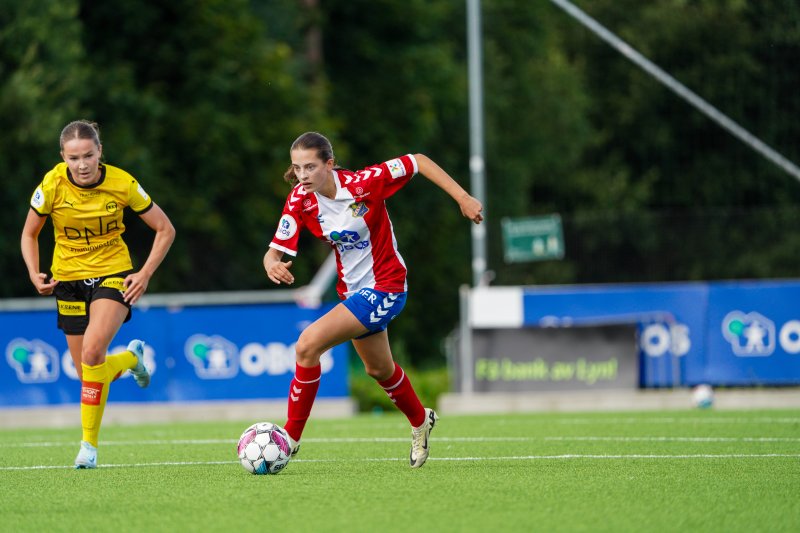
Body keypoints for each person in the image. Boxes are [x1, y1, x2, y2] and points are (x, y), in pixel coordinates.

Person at [264, 132, 483, 468]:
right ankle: (420, 420)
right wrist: (272, 262)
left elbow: (418, 161)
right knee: (378, 369)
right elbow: (274, 250)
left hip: (387, 286)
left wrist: (463, 197)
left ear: (330, 164)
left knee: (307, 345)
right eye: (297, 168)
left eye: (310, 166)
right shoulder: (299, 200)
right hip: (354, 292)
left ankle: (290, 440)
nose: (303, 175)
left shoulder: (366, 183)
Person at [20, 120, 176, 469]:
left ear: (100, 152)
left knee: (92, 351)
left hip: (113, 274)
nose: (82, 164)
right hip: (68, 281)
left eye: (89, 155)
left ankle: (88, 448)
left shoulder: (123, 183)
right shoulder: (52, 184)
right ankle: (131, 360)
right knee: (87, 371)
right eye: (74, 157)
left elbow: (165, 229)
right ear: (63, 157)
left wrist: (144, 273)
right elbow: (29, 234)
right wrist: (34, 272)